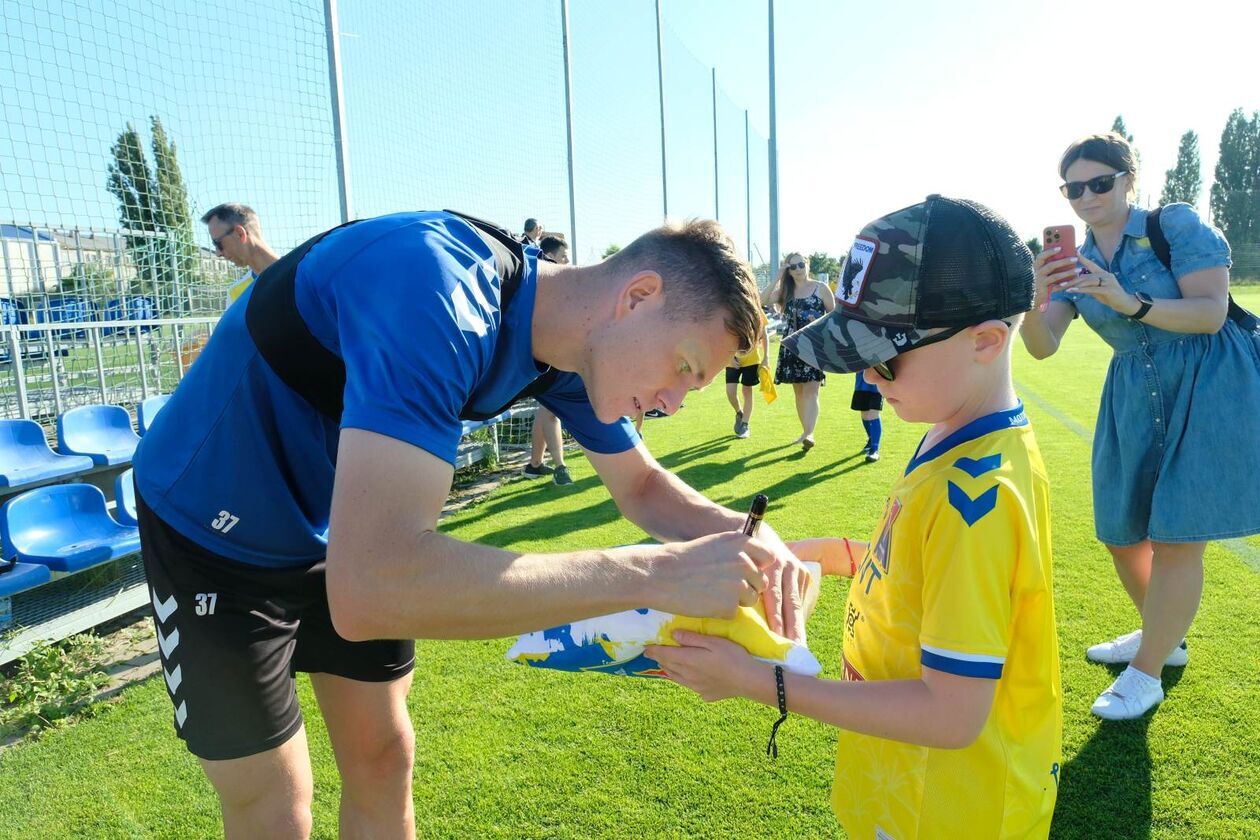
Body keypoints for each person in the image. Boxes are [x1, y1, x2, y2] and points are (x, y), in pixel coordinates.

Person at [133, 210, 811, 838]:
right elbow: (373, 588)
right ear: (637, 297)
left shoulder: (573, 346)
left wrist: (749, 536)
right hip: (211, 532)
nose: (670, 403)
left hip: (344, 524)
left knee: (383, 756)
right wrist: (655, 573)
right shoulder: (437, 290)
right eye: (683, 369)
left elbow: (642, 487)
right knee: (274, 804)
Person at [649, 195, 1062, 839]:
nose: (870, 375)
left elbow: (952, 714)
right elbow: (906, 561)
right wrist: (802, 554)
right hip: (907, 780)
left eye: (886, 356)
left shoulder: (977, 497)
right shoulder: (952, 432)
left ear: (986, 340)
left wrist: (763, 682)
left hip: (953, 807)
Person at [1022, 131, 1260, 720]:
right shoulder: (1074, 261)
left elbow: (1210, 315)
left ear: (1129, 179)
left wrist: (1130, 302)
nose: (1086, 195)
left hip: (1207, 381)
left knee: (1179, 534)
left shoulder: (1171, 226)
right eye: (1073, 187)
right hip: (1132, 388)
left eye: (1100, 182)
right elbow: (1043, 345)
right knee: (1121, 532)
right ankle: (1164, 636)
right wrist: (1035, 293)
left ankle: (1147, 669)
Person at [763, 252, 835, 450]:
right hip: (791, 346)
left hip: (814, 345)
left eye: (800, 264)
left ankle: (809, 433)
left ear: (807, 264)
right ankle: (805, 431)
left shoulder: (821, 288)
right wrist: (777, 277)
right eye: (792, 267)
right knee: (799, 394)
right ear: (788, 270)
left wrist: (819, 324)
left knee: (811, 391)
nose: (798, 269)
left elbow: (834, 317)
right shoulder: (786, 291)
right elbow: (763, 299)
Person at [524, 233, 573, 484]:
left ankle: (534, 465)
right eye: (563, 256)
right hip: (543, 357)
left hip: (545, 357)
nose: (567, 261)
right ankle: (561, 468)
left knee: (546, 410)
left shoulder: (539, 277)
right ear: (551, 256)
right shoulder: (544, 280)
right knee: (550, 410)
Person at [201, 203, 278, 304]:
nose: (218, 253)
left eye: (218, 243)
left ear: (240, 233)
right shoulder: (236, 294)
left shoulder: (298, 271)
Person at [724, 310, 769, 438]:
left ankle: (745, 424)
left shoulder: (757, 310)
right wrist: (730, 356)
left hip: (752, 358)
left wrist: (766, 357)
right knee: (730, 392)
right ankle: (739, 412)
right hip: (732, 359)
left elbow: (764, 334)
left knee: (747, 390)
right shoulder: (731, 307)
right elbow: (724, 334)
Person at [852, 374, 883, 462]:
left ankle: (874, 450)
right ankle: (871, 439)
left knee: (873, 414)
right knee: (864, 414)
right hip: (861, 384)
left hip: (877, 384)